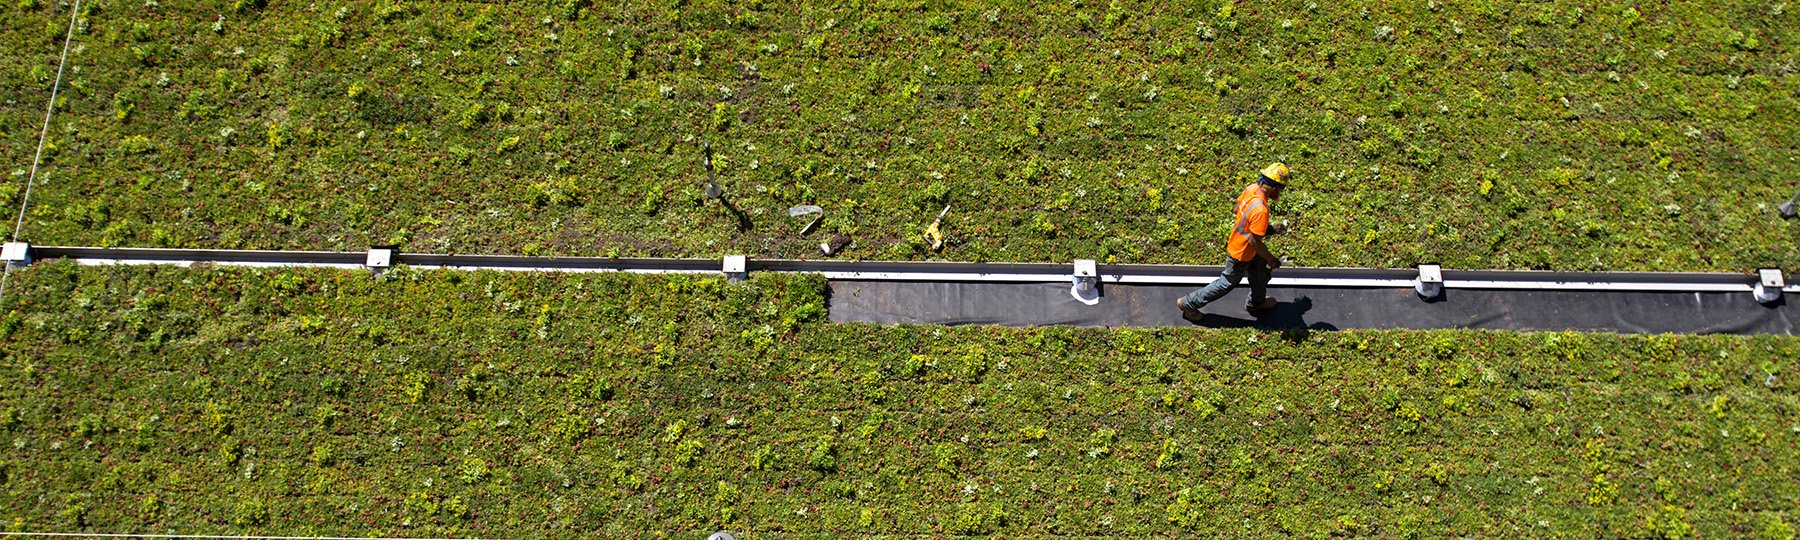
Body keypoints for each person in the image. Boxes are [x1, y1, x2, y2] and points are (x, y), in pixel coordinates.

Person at [1178, 163, 1290, 323]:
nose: (1280, 193)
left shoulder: (1251, 189)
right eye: (1280, 189)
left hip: (1245, 245)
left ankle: (1256, 303)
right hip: (1243, 252)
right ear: (1273, 188)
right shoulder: (1261, 210)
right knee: (1227, 282)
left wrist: (1266, 229)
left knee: (1259, 272)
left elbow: (1237, 209)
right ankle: (1189, 303)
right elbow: (1254, 241)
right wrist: (1271, 259)